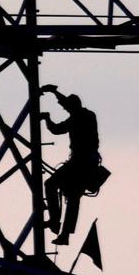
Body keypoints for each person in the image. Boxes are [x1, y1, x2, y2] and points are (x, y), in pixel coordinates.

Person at [40, 84, 109, 245]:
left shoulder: (78, 118)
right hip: (86, 163)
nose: (66, 110)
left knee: (51, 185)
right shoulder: (87, 115)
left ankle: (56, 223)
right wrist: (54, 92)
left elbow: (56, 129)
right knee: (72, 198)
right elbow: (68, 104)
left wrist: (47, 118)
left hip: (80, 163)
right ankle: (62, 232)